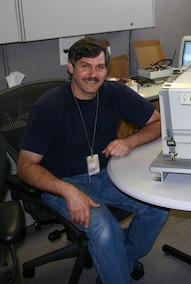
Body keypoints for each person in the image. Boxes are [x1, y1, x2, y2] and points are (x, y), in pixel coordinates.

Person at [17, 37, 169, 283]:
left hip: (107, 175)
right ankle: (117, 271)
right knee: (105, 230)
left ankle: (119, 262)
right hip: (63, 182)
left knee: (158, 206)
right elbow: (25, 166)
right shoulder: (49, 107)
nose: (92, 74)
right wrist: (67, 190)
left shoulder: (114, 92)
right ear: (71, 67)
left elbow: (159, 123)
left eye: (99, 67)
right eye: (85, 66)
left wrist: (130, 141)